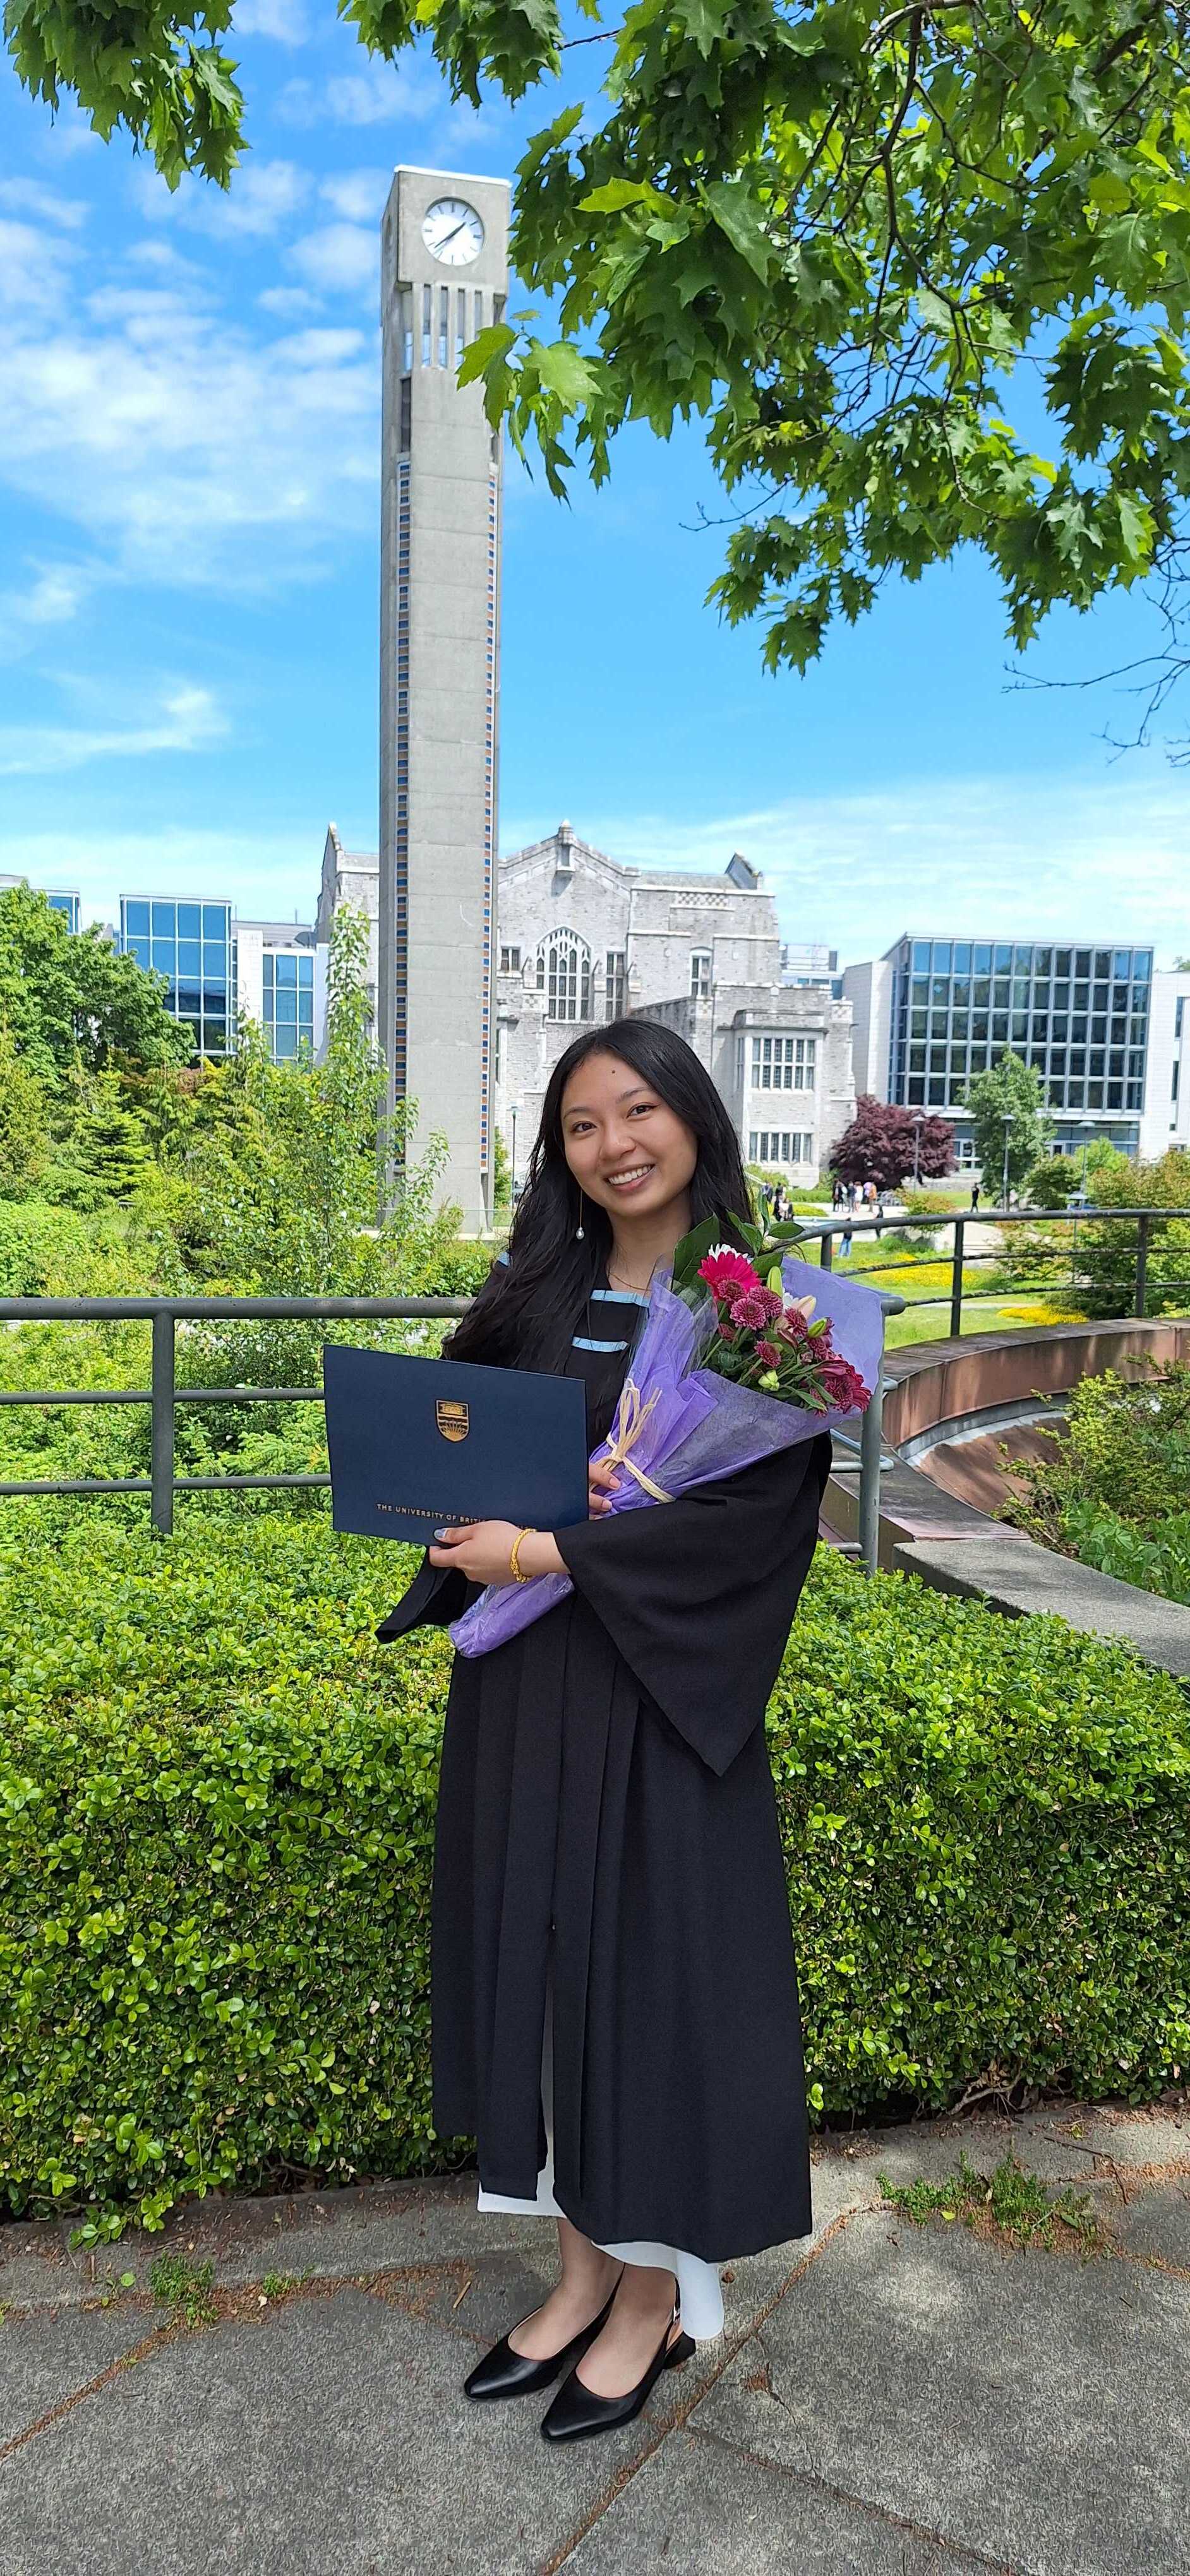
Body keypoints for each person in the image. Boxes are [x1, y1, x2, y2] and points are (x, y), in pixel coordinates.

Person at [376, 1020, 830, 2444]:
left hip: (661, 1699)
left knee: (649, 1994)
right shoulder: (536, 1294)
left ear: (693, 1119)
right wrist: (447, 1511)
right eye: (582, 1124)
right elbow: (452, 1445)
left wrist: (552, 1551)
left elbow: (752, 1527)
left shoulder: (769, 1320)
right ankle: (576, 2276)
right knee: (550, 1981)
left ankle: (650, 2302)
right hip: (528, 1691)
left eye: (638, 1111)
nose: (615, 1145)